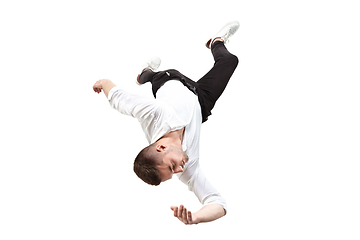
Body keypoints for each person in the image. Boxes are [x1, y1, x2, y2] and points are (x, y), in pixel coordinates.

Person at [93, 21, 240, 225]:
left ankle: (145, 73)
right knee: (230, 61)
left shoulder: (154, 115)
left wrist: (103, 82)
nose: (180, 170)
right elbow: (218, 204)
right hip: (201, 102)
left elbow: (119, 100)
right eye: (174, 172)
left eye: (171, 167)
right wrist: (196, 217)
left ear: (161, 147)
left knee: (153, 76)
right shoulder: (189, 166)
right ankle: (216, 42)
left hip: (172, 81)